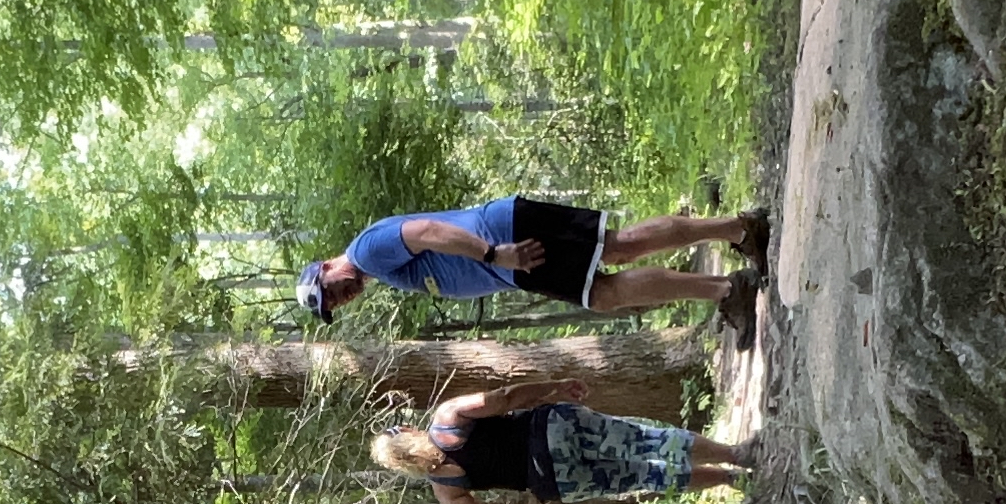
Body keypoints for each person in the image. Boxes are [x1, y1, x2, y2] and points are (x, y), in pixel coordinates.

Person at [366, 374, 752, 504]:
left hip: (556, 480)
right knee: (647, 441)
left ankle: (730, 479)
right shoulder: (447, 419)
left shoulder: (444, 488)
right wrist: (553, 387)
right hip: (555, 429)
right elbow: (503, 398)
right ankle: (736, 454)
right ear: (408, 432)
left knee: (645, 476)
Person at [298, 190, 763, 321]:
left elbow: (426, 231)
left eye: (330, 290)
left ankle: (732, 268)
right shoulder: (372, 264)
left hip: (506, 239)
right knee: (613, 263)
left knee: (611, 269)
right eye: (333, 304)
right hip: (509, 252)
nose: (339, 297)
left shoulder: (366, 253)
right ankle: (732, 261)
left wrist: (492, 254)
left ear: (326, 267)